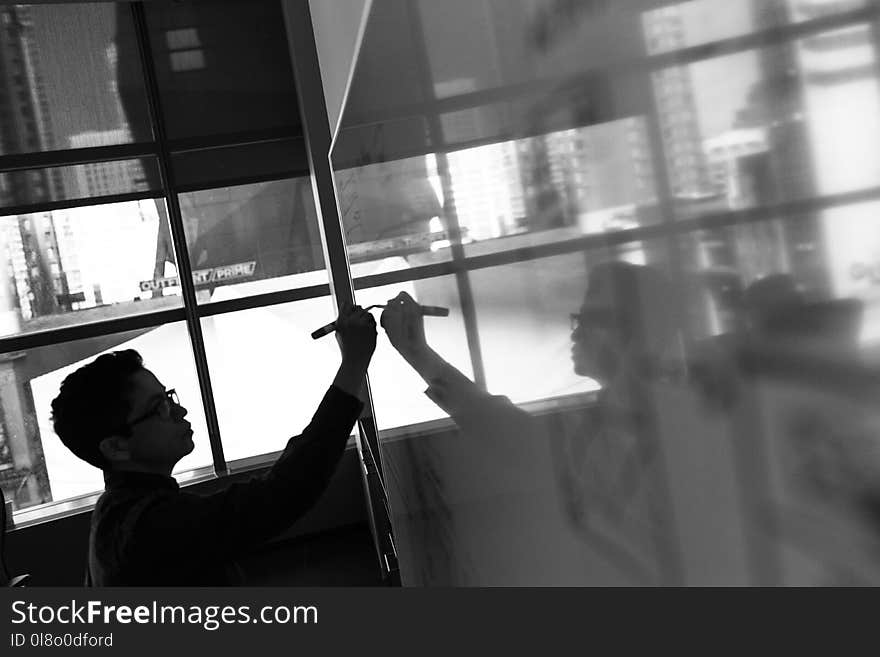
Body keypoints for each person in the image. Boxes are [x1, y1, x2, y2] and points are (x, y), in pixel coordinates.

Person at [379, 261, 684, 584]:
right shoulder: (619, 419)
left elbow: (510, 433)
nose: (577, 331)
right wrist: (417, 352)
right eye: (579, 319)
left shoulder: (653, 427)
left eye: (592, 319)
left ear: (635, 332)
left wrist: (417, 353)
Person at [50, 302, 376, 586]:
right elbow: (282, 494)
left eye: (168, 397)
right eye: (158, 407)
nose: (179, 410)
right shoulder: (149, 529)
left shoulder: (116, 513)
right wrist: (354, 362)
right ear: (116, 448)